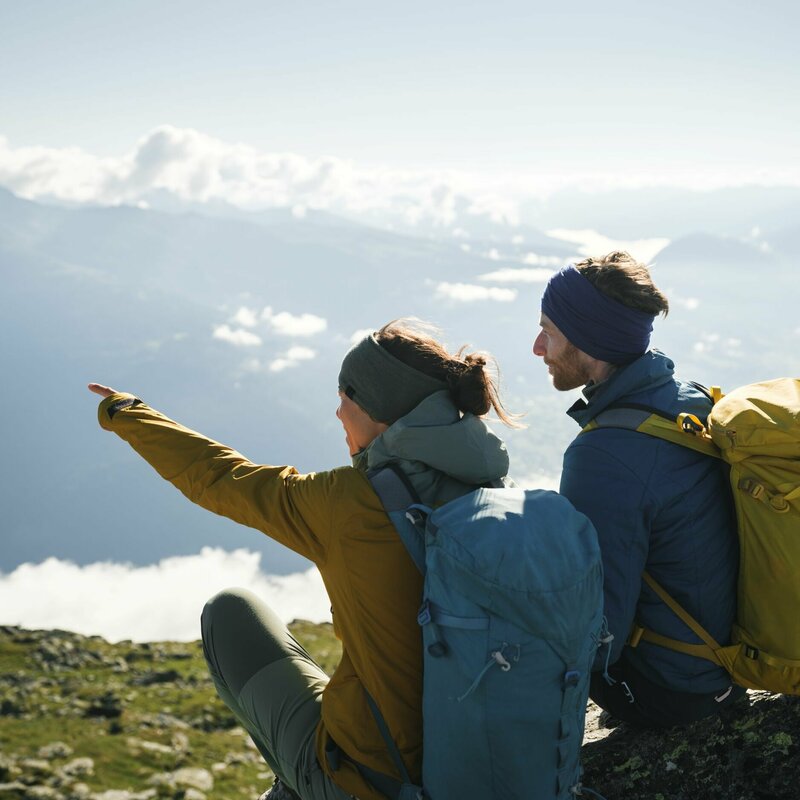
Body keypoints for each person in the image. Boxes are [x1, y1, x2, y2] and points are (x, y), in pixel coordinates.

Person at [89, 318, 515, 800]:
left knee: (231, 613)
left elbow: (220, 478)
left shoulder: (347, 502)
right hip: (509, 767)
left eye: (344, 398)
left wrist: (126, 412)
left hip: (382, 785)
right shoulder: (505, 495)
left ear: (377, 411)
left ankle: (299, 786)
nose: (337, 414)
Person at [531, 251, 743, 728]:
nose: (538, 347)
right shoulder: (688, 401)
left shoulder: (604, 454)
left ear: (589, 342)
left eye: (550, 331)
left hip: (675, 694)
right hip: (729, 663)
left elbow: (597, 627)